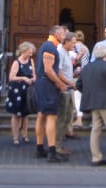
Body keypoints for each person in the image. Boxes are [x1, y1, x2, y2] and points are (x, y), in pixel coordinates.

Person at [77, 45, 106, 166]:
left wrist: (88, 93)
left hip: (93, 104)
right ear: (105, 55)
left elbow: (78, 84)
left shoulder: (87, 67)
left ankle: (96, 157)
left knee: (95, 130)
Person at [34, 25, 68, 163]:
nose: (65, 36)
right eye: (63, 34)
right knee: (51, 117)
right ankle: (52, 151)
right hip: (47, 85)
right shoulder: (50, 47)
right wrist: (60, 84)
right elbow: (48, 70)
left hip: (42, 83)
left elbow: (53, 69)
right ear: (57, 34)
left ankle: (40, 148)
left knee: (41, 115)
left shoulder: (48, 46)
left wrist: (67, 82)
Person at [6, 41, 36, 145]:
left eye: (31, 52)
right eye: (29, 52)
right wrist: (24, 78)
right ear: (23, 51)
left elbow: (34, 74)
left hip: (27, 91)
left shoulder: (30, 61)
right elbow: (11, 77)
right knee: (16, 114)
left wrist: (33, 79)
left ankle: (25, 134)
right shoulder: (16, 62)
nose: (31, 54)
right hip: (17, 91)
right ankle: (15, 137)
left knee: (26, 114)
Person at [56, 32, 78, 154]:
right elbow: (58, 72)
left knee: (68, 116)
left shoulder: (67, 53)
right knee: (62, 117)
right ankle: (57, 146)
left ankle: (60, 142)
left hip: (68, 88)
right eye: (73, 42)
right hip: (63, 89)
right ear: (67, 41)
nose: (74, 45)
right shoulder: (60, 52)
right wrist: (69, 83)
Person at [72, 30, 90, 127]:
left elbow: (74, 61)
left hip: (75, 75)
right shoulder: (86, 48)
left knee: (75, 97)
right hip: (85, 74)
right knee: (79, 96)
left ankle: (78, 119)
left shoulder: (74, 48)